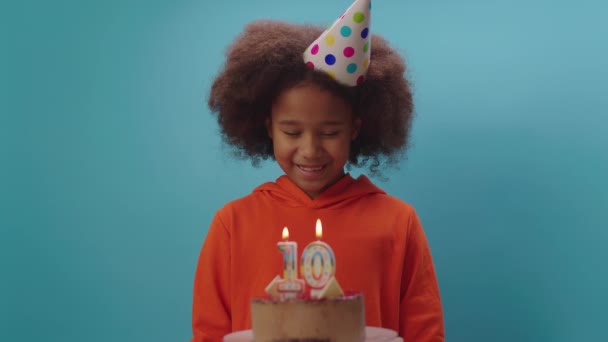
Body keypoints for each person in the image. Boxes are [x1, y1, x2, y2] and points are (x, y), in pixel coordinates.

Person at [190, 0, 444, 341]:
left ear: (355, 128)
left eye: (329, 132)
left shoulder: (398, 222)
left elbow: (425, 334)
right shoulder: (232, 225)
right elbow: (208, 334)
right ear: (268, 127)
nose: (310, 150)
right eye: (292, 132)